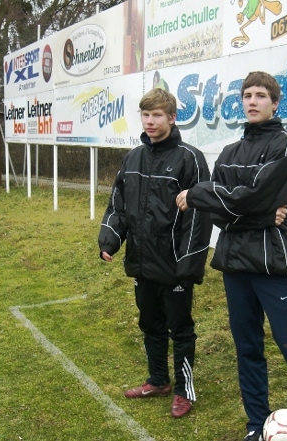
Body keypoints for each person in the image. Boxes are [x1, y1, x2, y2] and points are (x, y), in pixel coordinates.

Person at [176, 72, 287, 441]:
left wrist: (203, 193)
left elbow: (248, 197)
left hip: (276, 261)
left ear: (275, 103)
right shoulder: (228, 153)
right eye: (247, 95)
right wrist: (249, 210)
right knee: (248, 349)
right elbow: (224, 213)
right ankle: (256, 426)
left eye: (260, 95)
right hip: (236, 262)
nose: (252, 101)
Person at [98, 88, 212, 418]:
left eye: (157, 115)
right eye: (146, 115)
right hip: (141, 262)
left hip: (175, 265)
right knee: (150, 324)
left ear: (172, 118)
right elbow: (118, 204)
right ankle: (158, 380)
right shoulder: (132, 158)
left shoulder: (190, 158)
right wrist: (110, 240)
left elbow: (199, 216)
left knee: (181, 329)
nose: (150, 121)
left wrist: (188, 264)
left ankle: (183, 390)